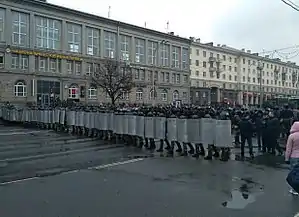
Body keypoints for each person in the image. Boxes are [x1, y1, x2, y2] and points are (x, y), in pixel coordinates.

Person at [285, 121, 299, 195]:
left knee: (294, 174)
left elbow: (288, 148)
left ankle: (294, 189)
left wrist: (286, 158)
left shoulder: (292, 136)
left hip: (294, 157)